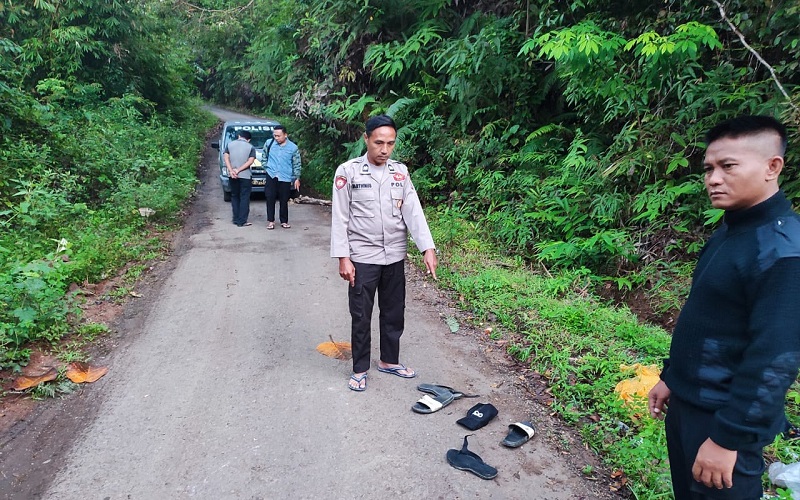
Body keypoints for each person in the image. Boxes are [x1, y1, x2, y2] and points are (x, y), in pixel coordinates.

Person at [648, 115, 800, 499]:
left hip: (723, 419)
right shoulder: (734, 229)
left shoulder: (783, 251)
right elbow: (708, 319)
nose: (713, 178)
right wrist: (673, 377)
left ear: (772, 167)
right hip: (690, 402)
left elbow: (775, 359)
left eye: (728, 166)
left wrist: (727, 439)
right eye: (709, 168)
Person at [330, 115, 438, 392]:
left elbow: (413, 212)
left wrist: (427, 247)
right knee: (361, 315)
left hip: (394, 256)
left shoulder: (399, 173)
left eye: (390, 143)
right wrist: (344, 257)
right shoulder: (348, 171)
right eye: (379, 142)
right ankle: (360, 368)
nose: (385, 149)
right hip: (362, 257)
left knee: (393, 312)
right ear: (366, 139)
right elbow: (340, 217)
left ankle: (390, 361)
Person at [264, 125, 301, 229]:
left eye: (278, 136)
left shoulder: (293, 147)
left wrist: (297, 178)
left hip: (285, 176)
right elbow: (264, 156)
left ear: (285, 135)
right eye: (274, 135)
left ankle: (284, 221)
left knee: (284, 199)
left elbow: (297, 163)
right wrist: (266, 168)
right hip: (271, 175)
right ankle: (271, 221)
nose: (276, 138)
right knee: (270, 197)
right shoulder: (269, 143)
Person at [224, 130, 256, 227]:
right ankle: (242, 221)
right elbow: (250, 161)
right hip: (245, 176)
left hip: (232, 175)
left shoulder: (229, 145)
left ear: (239, 136)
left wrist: (231, 171)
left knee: (234, 196)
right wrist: (238, 170)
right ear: (248, 139)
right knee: (244, 197)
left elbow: (226, 158)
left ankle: (235, 218)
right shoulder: (250, 147)